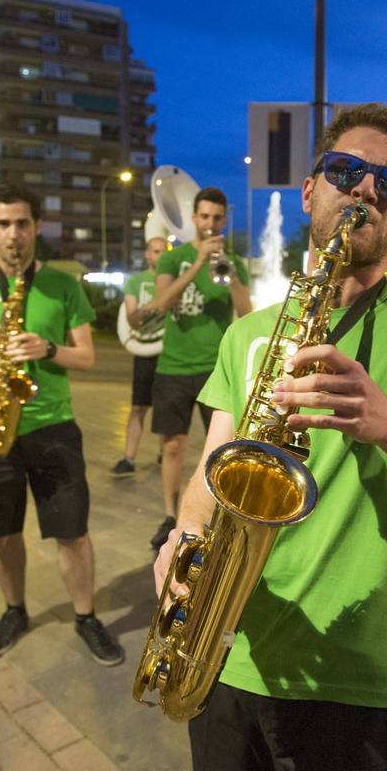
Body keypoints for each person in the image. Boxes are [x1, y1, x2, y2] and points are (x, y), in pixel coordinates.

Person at [154, 103, 387, 771]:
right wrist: (183, 541)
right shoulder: (247, 334)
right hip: (232, 659)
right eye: (347, 169)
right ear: (310, 190)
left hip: (378, 684)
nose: (368, 189)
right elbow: (210, 475)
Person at [0, 183, 123, 665]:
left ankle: (86, 617)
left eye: (22, 224)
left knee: (72, 531)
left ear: (36, 227)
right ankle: (14, 611)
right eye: (3, 224)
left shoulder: (63, 286)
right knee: (1, 533)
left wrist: (48, 349)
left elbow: (86, 356)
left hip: (52, 427)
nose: (13, 235)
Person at [142, 186, 252, 551]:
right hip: (173, 367)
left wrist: (230, 273)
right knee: (172, 446)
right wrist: (198, 265)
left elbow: (246, 313)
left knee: (219, 451)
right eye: (204, 217)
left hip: (215, 371)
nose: (210, 223)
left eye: (217, 218)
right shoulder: (174, 259)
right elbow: (161, 303)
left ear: (224, 219)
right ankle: (171, 515)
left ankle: (215, 518)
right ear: (194, 219)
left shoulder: (232, 260)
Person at [110, 235, 168, 476]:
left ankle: (165, 456)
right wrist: (155, 304)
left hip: (169, 352)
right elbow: (132, 319)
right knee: (137, 407)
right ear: (147, 254)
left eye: (163, 251)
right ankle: (129, 458)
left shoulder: (175, 280)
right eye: (155, 251)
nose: (159, 256)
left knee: (166, 408)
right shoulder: (136, 282)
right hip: (144, 351)